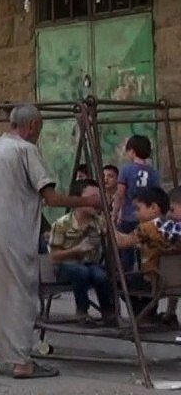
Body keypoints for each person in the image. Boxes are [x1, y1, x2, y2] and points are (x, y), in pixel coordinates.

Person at [0, 104, 100, 379]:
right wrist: (88, 201)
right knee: (16, 294)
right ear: (33, 125)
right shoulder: (26, 150)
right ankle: (22, 362)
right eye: (39, 128)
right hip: (9, 231)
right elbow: (51, 198)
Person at [48, 179, 117, 326]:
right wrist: (76, 250)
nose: (97, 201)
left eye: (99, 197)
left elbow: (116, 239)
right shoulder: (62, 224)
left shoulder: (99, 222)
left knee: (101, 275)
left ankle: (108, 312)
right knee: (80, 271)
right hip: (65, 267)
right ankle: (82, 310)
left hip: (90, 265)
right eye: (92, 197)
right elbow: (53, 257)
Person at [114, 187, 181, 320]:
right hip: (175, 280)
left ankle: (142, 316)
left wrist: (106, 225)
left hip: (155, 279)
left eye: (138, 209)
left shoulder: (150, 227)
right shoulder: (174, 228)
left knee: (116, 279)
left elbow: (122, 242)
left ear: (154, 208)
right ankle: (166, 314)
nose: (170, 214)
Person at [113, 135, 161, 274]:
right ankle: (144, 279)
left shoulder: (126, 170)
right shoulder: (153, 172)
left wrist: (115, 213)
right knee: (145, 252)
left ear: (132, 151)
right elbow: (157, 195)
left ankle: (127, 280)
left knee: (126, 252)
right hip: (146, 218)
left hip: (128, 216)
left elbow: (120, 194)